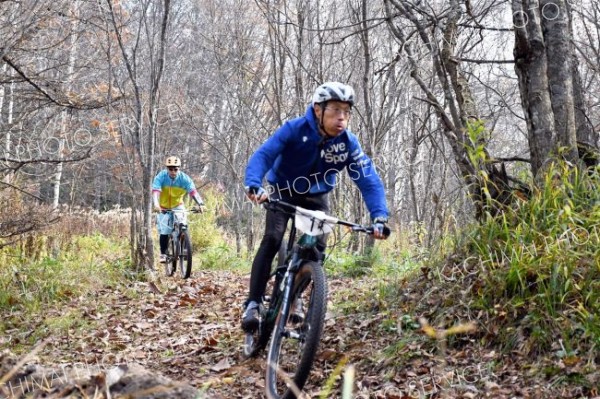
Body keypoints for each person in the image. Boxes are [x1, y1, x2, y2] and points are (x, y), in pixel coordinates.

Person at [241, 81, 390, 332]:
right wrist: (254, 184)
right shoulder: (294, 129)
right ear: (318, 109)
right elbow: (264, 155)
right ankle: (253, 303)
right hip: (284, 190)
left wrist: (379, 217)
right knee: (273, 237)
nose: (341, 118)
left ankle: (295, 295)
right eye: (334, 110)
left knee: (316, 248)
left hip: (317, 195)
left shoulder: (347, 144)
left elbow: (368, 180)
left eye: (346, 111)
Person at [152, 156, 204, 263]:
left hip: (178, 205)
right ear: (167, 169)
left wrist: (201, 204)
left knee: (183, 224)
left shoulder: (184, 178)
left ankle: (185, 248)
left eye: (175, 169)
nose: (173, 171)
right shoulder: (161, 176)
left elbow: (193, 192)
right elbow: (156, 191)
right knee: (165, 230)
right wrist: (156, 205)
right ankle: (163, 253)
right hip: (163, 206)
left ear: (179, 169)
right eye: (170, 169)